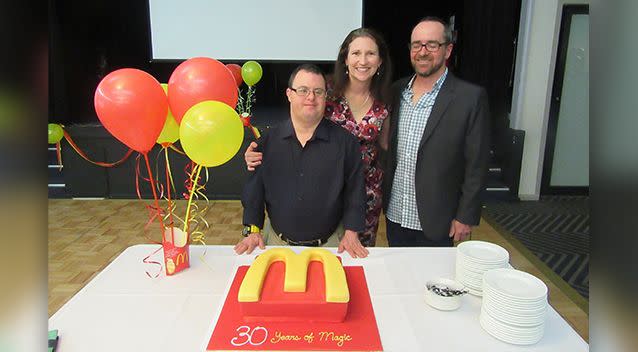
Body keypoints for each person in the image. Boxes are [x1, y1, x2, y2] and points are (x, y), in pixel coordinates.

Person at [244, 28, 393, 247]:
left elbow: (386, 146)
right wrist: (255, 151)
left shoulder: (385, 99)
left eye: (370, 53)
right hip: (316, 178)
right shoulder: (326, 88)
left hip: (362, 189)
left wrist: (352, 227)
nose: (311, 97)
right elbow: (300, 116)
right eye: (356, 53)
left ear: (380, 61)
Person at [234, 64, 369, 258]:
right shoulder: (266, 143)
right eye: (303, 90)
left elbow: (355, 192)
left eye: (318, 91)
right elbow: (254, 192)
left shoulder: (346, 143)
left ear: (325, 96)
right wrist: (252, 231)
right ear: (289, 94)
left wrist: (352, 232)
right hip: (275, 245)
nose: (311, 97)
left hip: (333, 247)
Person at [383, 16, 490, 247]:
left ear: (448, 50)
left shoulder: (469, 98)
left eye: (432, 45)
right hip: (396, 214)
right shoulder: (396, 91)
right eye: (416, 45)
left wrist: (465, 216)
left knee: (433, 282)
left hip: (437, 221)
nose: (422, 52)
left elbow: (477, 163)